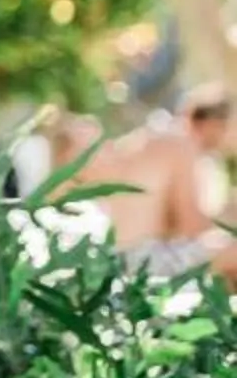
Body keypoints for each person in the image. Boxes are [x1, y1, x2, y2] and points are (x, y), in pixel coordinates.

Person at [72, 84, 233, 281]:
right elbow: (191, 225)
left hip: (116, 255)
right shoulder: (181, 144)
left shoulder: (153, 136)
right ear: (215, 125)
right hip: (141, 261)